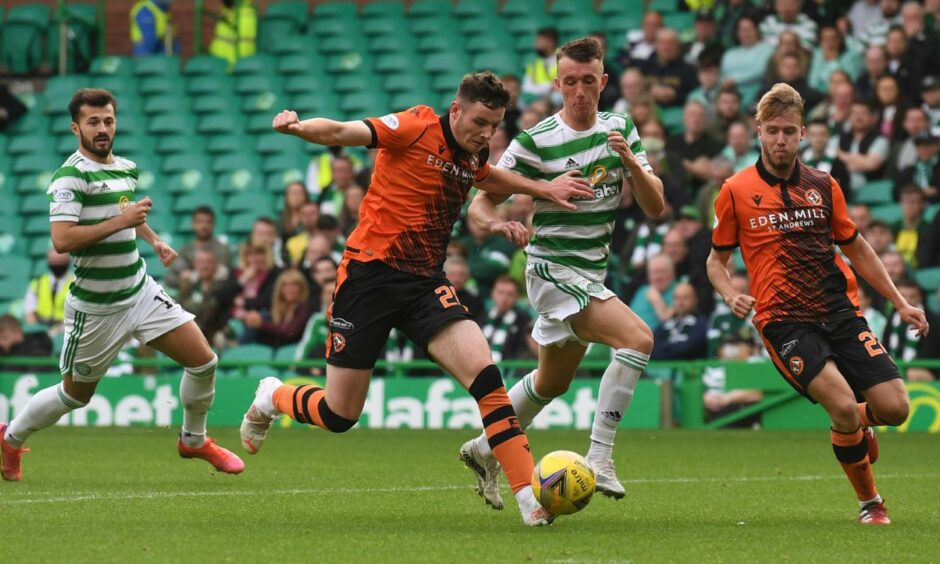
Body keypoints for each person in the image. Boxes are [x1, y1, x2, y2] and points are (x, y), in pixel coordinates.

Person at [238, 71, 595, 526]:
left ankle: (529, 498)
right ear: (456, 111)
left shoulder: (474, 153)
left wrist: (543, 189)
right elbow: (346, 131)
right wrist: (299, 126)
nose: (486, 134)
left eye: (495, 125)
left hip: (425, 284)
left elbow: (488, 177)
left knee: (489, 382)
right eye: (480, 122)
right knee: (339, 413)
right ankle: (273, 395)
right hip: (368, 279)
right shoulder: (415, 126)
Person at [706, 82, 930, 525]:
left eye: (789, 130)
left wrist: (901, 303)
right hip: (784, 321)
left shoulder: (824, 185)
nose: (781, 140)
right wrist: (731, 293)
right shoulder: (735, 189)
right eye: (772, 131)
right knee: (843, 407)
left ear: (803, 133)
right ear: (758, 131)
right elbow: (716, 261)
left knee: (895, 409)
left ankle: (858, 426)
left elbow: (858, 248)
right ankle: (871, 504)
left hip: (840, 311)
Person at [458, 38, 665, 505]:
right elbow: (480, 203)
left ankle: (483, 447)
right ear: (556, 84)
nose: (579, 92)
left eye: (588, 82)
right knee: (638, 339)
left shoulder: (621, 130)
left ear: (603, 82)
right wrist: (501, 223)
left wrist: (632, 163)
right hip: (551, 271)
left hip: (591, 273)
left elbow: (656, 207)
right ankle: (600, 457)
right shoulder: (536, 140)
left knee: (552, 383)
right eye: (569, 82)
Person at [0, 89, 243, 482]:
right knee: (74, 396)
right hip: (96, 307)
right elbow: (62, 240)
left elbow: (125, 211)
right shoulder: (70, 176)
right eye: (93, 122)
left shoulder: (125, 167)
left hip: (139, 290)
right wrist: (123, 222)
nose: (102, 129)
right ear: (75, 127)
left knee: (204, 362)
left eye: (108, 120)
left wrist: (154, 240)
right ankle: (11, 437)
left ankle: (194, 441)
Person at [241, 268, 313, 349]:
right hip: (273, 347)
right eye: (285, 285)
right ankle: (241, 351)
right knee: (259, 317)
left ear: (302, 288)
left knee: (262, 317)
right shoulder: (278, 308)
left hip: (293, 348)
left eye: (294, 285)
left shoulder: (304, 308)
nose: (290, 289)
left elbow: (290, 332)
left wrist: (261, 324)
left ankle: (240, 350)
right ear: (280, 289)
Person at [164, 206, 232, 289]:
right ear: (193, 224)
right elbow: (169, 278)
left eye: (208, 222)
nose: (204, 226)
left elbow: (224, 275)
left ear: (214, 225)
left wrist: (193, 277)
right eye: (200, 222)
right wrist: (182, 280)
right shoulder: (185, 251)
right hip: (186, 297)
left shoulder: (222, 250)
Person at [479, 276, 536, 365]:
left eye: (510, 294)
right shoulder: (483, 316)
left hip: (511, 373)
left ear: (517, 297)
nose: (504, 298)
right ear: (493, 293)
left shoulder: (524, 320)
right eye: (500, 293)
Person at [24, 248, 74, 331]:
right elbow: (29, 311)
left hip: (66, 328)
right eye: (54, 261)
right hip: (41, 327)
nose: (57, 264)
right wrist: (37, 330)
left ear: (68, 261)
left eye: (60, 261)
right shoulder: (37, 283)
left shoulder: (76, 283)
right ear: (48, 262)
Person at [207, 0, 257, 70]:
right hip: (217, 64)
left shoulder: (246, 14)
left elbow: (244, 47)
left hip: (235, 68)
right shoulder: (226, 10)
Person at [522, 27, 559, 104]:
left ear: (550, 42)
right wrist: (549, 87)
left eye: (539, 40)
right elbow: (526, 88)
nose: (535, 44)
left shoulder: (562, 61)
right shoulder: (533, 63)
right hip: (537, 102)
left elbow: (560, 88)